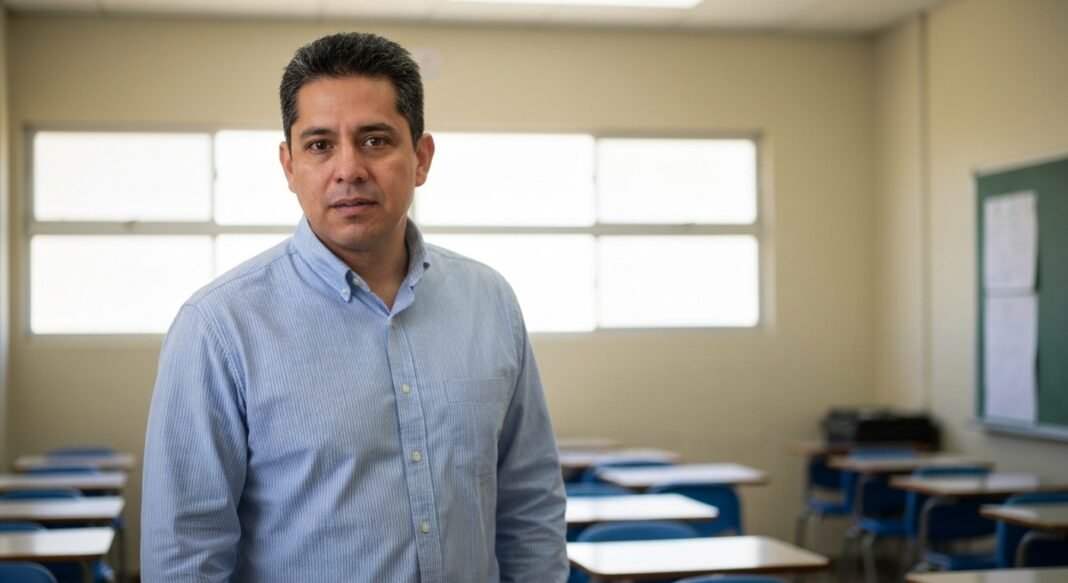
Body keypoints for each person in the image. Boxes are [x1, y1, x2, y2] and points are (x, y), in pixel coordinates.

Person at [141, 31, 567, 582]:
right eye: (320, 144)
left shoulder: (490, 302)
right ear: (289, 165)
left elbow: (529, 502)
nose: (348, 170)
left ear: (421, 157)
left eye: (375, 140)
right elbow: (185, 551)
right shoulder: (219, 327)